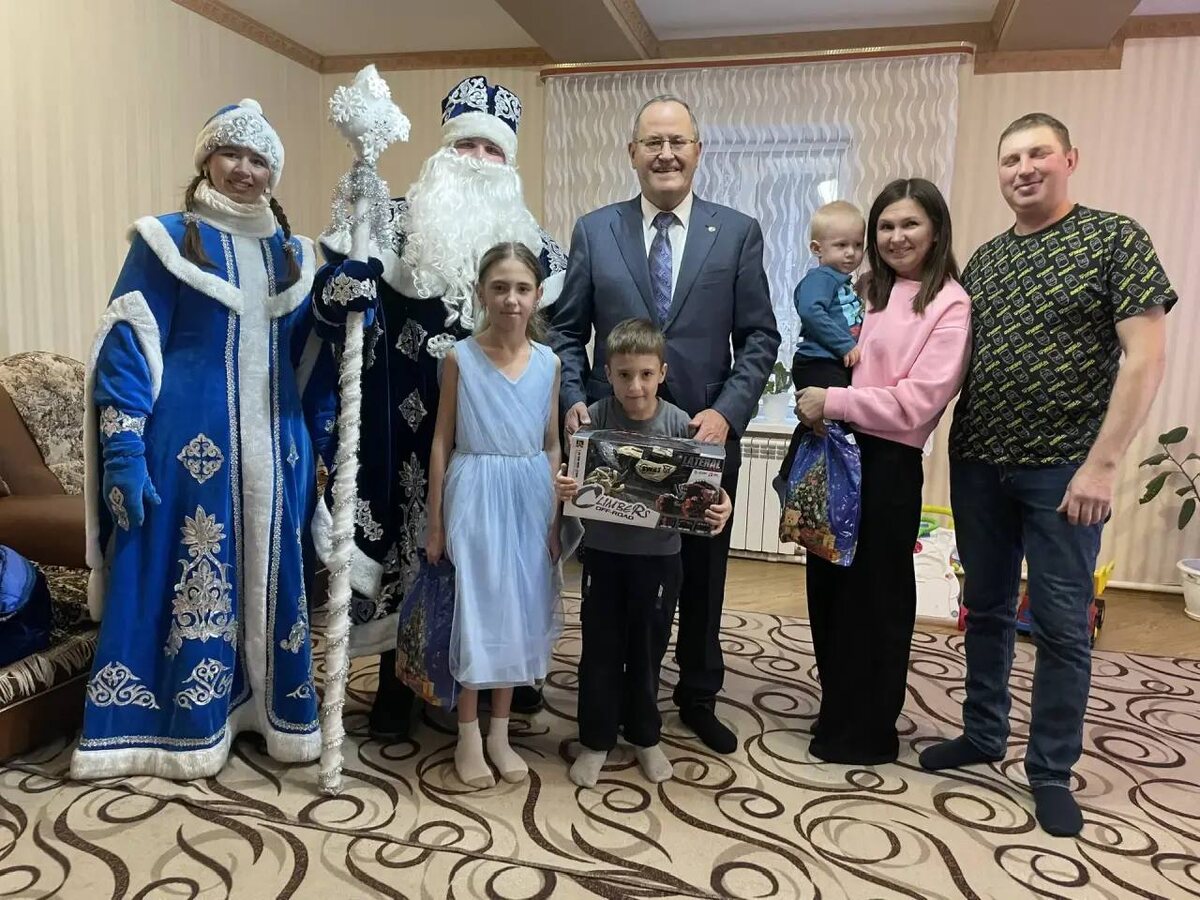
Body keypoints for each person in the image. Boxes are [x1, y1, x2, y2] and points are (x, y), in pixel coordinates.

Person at [919, 113, 1176, 837]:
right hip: (979, 463)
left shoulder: (1114, 239)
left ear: (1070, 159)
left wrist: (1103, 465)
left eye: (1038, 154)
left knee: (1062, 625)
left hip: (1065, 471)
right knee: (986, 608)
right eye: (1010, 159)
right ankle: (982, 733)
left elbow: (1146, 357)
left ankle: (1051, 770)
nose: (1023, 168)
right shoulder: (987, 261)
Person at [73, 99, 334, 780]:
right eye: (231, 154)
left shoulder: (295, 255)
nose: (244, 169)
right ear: (206, 160)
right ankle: (177, 727)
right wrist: (124, 450)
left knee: (274, 577)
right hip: (188, 451)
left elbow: (311, 359)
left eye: (259, 159)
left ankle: (268, 713)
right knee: (182, 573)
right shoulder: (164, 241)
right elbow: (131, 341)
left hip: (277, 451)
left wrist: (341, 320)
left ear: (274, 171)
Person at [313, 75, 567, 737]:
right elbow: (339, 293)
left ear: (510, 162)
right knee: (417, 551)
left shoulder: (537, 247)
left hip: (502, 439)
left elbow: (557, 343)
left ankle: (505, 673)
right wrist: (345, 276)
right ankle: (401, 682)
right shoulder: (394, 223)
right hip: (408, 424)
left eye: (493, 149)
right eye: (466, 145)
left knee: (501, 562)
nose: (478, 160)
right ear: (442, 151)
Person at [550, 95, 779, 755]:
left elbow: (759, 337)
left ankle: (698, 695)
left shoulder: (736, 232)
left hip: (702, 438)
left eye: (678, 141)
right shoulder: (596, 230)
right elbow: (566, 331)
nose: (666, 154)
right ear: (633, 153)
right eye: (653, 142)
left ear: (698, 151)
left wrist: (728, 413)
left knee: (702, 578)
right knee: (617, 581)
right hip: (615, 444)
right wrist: (574, 398)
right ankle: (618, 698)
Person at [795, 177, 970, 767]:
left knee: (876, 598)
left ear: (936, 230)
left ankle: (868, 729)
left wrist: (834, 401)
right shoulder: (864, 288)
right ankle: (837, 708)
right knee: (827, 588)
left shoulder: (949, 303)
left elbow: (917, 403)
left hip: (887, 464)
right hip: (832, 451)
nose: (896, 237)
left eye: (910, 224)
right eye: (886, 226)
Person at [553, 318, 732, 787]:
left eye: (646, 374)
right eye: (625, 374)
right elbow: (571, 480)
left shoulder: (680, 423)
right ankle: (595, 740)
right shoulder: (594, 419)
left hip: (660, 561)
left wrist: (722, 504)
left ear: (663, 373)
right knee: (600, 649)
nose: (635, 386)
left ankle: (645, 736)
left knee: (649, 649)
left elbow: (707, 489)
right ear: (608, 374)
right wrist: (565, 486)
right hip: (604, 557)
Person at [424, 242, 561, 788]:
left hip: (530, 494)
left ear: (538, 295)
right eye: (500, 287)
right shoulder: (460, 358)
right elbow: (441, 440)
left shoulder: (549, 363)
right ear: (481, 293)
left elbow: (551, 442)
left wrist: (554, 518)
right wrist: (436, 521)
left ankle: (500, 733)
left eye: (522, 289)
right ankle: (467, 735)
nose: (511, 299)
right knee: (477, 611)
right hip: (475, 489)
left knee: (517, 613)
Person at [775, 200, 866, 496]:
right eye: (841, 245)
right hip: (817, 362)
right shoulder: (821, 278)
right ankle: (788, 475)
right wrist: (845, 344)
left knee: (826, 424)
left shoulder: (842, 282)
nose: (851, 252)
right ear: (817, 249)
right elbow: (810, 311)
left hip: (827, 361)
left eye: (857, 244)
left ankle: (816, 479)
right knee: (822, 419)